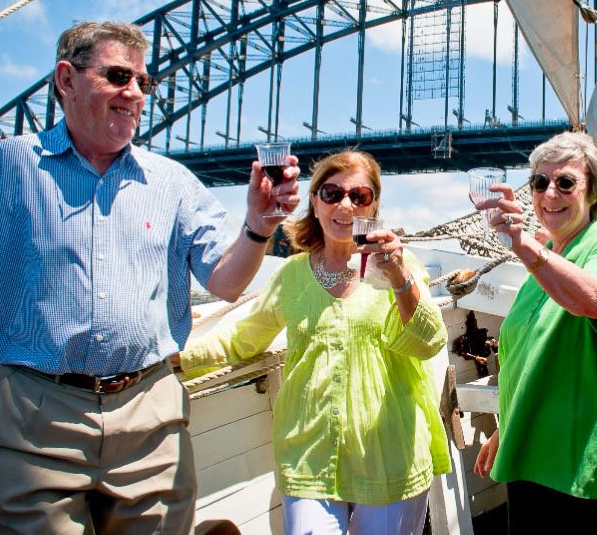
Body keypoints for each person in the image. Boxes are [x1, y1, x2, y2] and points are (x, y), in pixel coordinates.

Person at [0, 21, 300, 534]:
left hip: (150, 418)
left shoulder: (172, 182)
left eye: (144, 82)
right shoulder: (7, 167)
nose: (135, 94)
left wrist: (258, 224)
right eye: (119, 76)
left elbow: (225, 283)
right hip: (33, 422)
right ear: (66, 80)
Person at [178, 150, 450, 535]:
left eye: (359, 196)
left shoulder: (398, 266)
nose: (344, 204)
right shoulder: (291, 276)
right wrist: (171, 359)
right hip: (309, 454)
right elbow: (240, 341)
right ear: (314, 201)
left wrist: (400, 277)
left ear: (373, 205)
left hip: (391, 455)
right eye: (332, 193)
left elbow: (428, 342)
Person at [471, 131, 597, 534]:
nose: (550, 193)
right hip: (532, 451)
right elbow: (534, 354)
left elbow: (593, 299)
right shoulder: (548, 262)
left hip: (580, 458)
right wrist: (507, 428)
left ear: (592, 192)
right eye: (540, 183)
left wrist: (522, 243)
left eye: (565, 182)